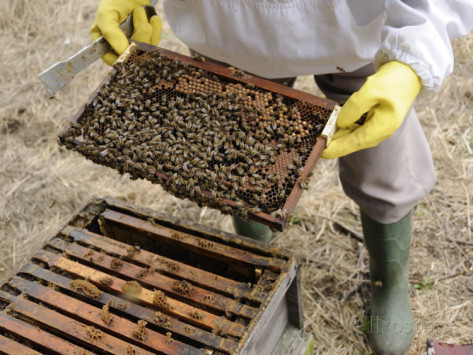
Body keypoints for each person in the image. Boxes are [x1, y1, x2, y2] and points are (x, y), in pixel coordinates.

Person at [91, 1, 473, 353]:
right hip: (228, 29)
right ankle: (260, 265)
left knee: (382, 158)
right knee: (239, 158)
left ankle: (388, 281)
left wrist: (413, 55)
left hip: (356, 26)